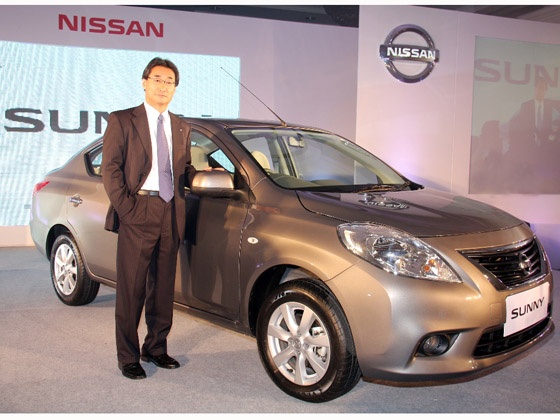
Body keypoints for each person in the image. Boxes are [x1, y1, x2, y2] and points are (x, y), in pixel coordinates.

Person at [101, 57, 197, 380]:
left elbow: (183, 169)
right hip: (138, 208)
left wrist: (201, 175)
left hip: (171, 211)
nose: (163, 86)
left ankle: (155, 348)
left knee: (163, 288)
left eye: (169, 81)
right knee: (132, 288)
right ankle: (128, 356)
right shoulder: (122, 120)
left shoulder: (181, 126)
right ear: (144, 82)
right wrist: (127, 210)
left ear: (175, 88)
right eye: (157, 79)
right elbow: (110, 169)